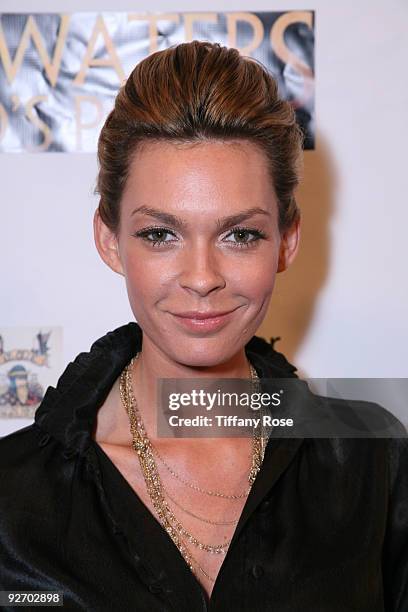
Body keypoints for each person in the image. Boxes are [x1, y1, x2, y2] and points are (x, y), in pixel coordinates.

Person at [0, 40, 407, 612]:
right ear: (109, 239)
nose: (202, 277)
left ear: (286, 240)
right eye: (160, 234)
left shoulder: (370, 461)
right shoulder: (15, 500)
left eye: (240, 234)